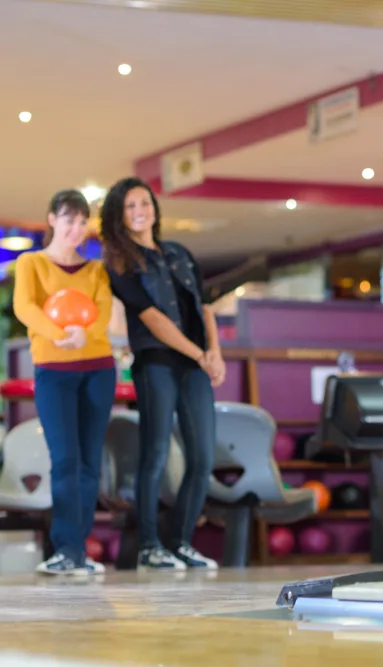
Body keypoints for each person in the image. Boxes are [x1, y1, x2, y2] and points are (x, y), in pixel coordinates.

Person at [100, 177, 225, 572]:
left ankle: (182, 542)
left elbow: (204, 307)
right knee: (154, 454)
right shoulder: (120, 261)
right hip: (156, 363)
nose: (141, 211)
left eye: (145, 203)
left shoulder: (179, 252)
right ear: (120, 217)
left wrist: (215, 354)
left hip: (195, 365)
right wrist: (200, 355)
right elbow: (152, 319)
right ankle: (150, 546)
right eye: (131, 206)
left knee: (203, 456)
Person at [13, 190, 116, 575]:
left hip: (98, 369)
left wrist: (81, 336)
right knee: (65, 460)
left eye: (81, 220)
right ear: (52, 219)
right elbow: (25, 306)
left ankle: (79, 551)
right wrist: (59, 334)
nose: (76, 228)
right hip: (54, 371)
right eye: (68, 219)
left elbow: (101, 314)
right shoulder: (31, 263)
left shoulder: (96, 271)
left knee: (90, 462)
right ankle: (65, 549)